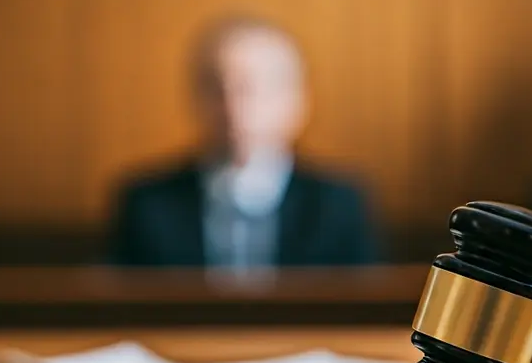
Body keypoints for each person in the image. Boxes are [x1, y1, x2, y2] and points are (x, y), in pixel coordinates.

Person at [107, 15, 380, 268]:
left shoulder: (338, 204)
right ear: (194, 97)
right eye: (217, 88)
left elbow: (367, 309)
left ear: (298, 101)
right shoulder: (147, 203)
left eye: (253, 89)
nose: (234, 107)